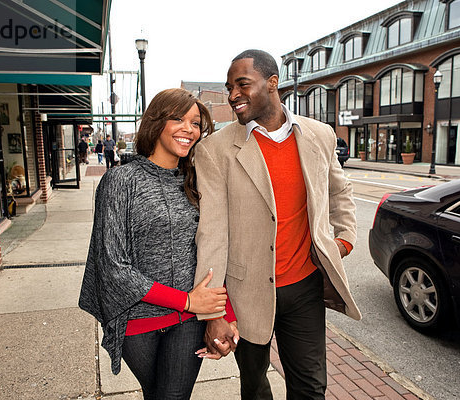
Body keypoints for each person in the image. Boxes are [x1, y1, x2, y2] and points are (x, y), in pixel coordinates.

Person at [193, 49, 361, 399]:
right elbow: (212, 232)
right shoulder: (215, 150)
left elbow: (338, 190)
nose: (233, 95)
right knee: (255, 389)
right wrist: (213, 310)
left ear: (272, 83)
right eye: (229, 87)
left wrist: (342, 240)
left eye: (242, 84)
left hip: (303, 287)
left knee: (312, 387)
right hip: (246, 292)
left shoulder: (319, 135)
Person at [79, 88, 236, 399]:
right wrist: (188, 301)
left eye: (195, 123)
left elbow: (212, 247)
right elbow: (113, 266)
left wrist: (223, 313)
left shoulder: (196, 179)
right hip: (138, 319)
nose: (188, 129)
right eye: (178, 119)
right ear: (155, 121)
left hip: (189, 321)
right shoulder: (120, 181)